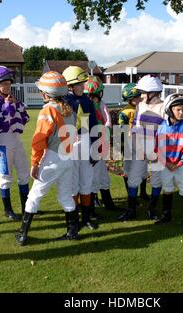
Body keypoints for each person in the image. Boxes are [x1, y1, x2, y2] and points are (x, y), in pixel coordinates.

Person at [16, 71, 78, 245]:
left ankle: (22, 234)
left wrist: (35, 163)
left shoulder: (48, 109)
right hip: (68, 157)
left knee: (34, 195)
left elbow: (38, 140)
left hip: (53, 157)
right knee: (66, 195)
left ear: (46, 93)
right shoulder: (69, 109)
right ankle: (72, 232)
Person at [118, 74, 165, 221]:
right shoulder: (140, 106)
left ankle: (152, 209)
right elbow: (135, 126)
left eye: (143, 92)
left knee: (157, 180)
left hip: (157, 148)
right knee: (133, 179)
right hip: (140, 147)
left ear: (153, 93)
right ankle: (131, 210)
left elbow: (165, 130)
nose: (140, 95)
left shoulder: (164, 108)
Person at [0, 66, 30, 221]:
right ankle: (8, 209)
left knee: (24, 173)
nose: (8, 86)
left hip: (16, 139)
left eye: (9, 83)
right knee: (5, 176)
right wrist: (9, 105)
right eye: (4, 83)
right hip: (2, 141)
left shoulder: (12, 98)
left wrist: (14, 104)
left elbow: (25, 115)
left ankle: (27, 208)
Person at [62, 66, 99, 230]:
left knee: (87, 182)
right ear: (69, 86)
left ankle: (86, 218)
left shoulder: (87, 101)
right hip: (69, 143)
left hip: (85, 142)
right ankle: (73, 219)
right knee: (72, 184)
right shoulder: (63, 102)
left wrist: (95, 147)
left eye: (83, 83)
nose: (82, 87)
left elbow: (93, 126)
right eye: (79, 84)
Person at [155, 94, 183, 230]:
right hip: (166, 165)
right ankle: (166, 215)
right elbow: (158, 148)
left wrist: (178, 164)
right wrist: (167, 164)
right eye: (178, 109)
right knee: (167, 189)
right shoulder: (162, 127)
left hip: (181, 166)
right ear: (169, 110)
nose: (181, 112)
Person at [83, 76, 121, 214]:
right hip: (92, 144)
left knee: (103, 176)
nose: (95, 98)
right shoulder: (86, 106)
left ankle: (108, 203)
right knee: (95, 176)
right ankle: (91, 208)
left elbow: (107, 122)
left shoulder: (101, 105)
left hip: (100, 142)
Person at [118, 83, 149, 200]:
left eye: (138, 97)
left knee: (143, 168)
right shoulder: (125, 112)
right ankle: (130, 195)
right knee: (128, 170)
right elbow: (121, 129)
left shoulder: (143, 109)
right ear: (129, 99)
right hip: (128, 144)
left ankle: (143, 192)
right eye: (135, 98)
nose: (138, 99)